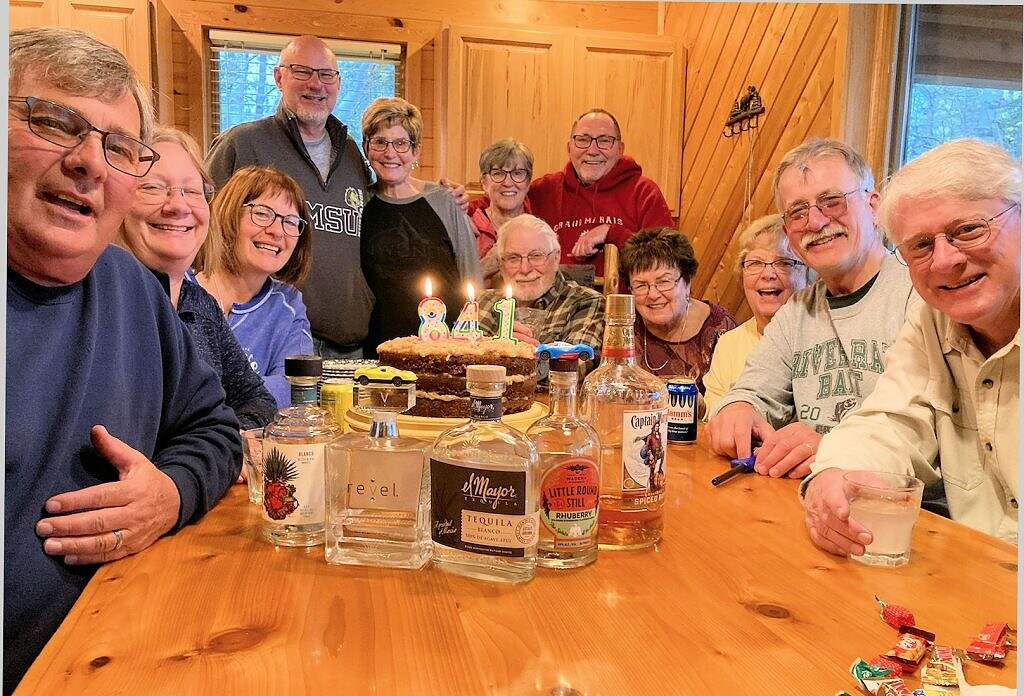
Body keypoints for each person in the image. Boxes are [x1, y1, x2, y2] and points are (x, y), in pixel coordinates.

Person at [6, 28, 241, 692]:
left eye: (117, 148)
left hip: (133, 646)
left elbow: (215, 428)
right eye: (54, 122)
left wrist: (169, 494)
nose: (89, 163)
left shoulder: (127, 287)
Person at [802, 139, 1019, 553]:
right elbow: (891, 419)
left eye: (969, 230)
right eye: (920, 245)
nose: (944, 261)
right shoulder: (931, 317)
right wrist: (836, 474)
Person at [206, 35, 468, 358]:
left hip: (351, 348)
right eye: (302, 71)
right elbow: (202, 229)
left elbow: (391, 187)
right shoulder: (244, 144)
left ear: (338, 84)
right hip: (277, 338)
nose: (316, 84)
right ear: (278, 77)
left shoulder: (351, 155)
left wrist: (441, 193)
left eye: (326, 75)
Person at [706, 137, 919, 479]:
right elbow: (751, 390)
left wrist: (834, 449)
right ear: (789, 231)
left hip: (902, 509)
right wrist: (737, 408)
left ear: (874, 205)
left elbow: (927, 430)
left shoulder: (918, 295)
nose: (815, 222)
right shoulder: (796, 311)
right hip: (805, 501)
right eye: (798, 211)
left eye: (831, 201)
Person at [117, 128, 277, 429]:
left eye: (192, 191)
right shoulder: (104, 305)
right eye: (152, 188)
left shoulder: (200, 305)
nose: (178, 206)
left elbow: (256, 398)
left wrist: (229, 441)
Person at [358, 97, 481, 355]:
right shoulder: (359, 205)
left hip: (448, 349)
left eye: (401, 143)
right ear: (366, 147)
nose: (390, 153)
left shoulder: (445, 200)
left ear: (416, 151)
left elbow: (471, 277)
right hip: (380, 350)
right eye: (380, 142)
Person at [194, 165, 315, 408]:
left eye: (291, 222)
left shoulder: (288, 303)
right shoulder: (179, 287)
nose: (276, 231)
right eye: (262, 213)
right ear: (229, 214)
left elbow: (296, 386)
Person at [528, 108, 674, 278]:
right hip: (553, 303)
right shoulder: (544, 191)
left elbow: (669, 262)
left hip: (620, 304)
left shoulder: (644, 192)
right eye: (583, 140)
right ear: (569, 148)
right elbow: (499, 200)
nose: (592, 150)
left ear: (620, 149)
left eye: (604, 141)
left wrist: (612, 232)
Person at [703, 215, 811, 414]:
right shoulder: (729, 345)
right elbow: (714, 417)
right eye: (755, 263)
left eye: (784, 263)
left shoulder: (820, 341)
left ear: (808, 276)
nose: (768, 274)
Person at [620, 227, 736, 393]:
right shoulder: (623, 329)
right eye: (640, 285)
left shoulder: (720, 329)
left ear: (687, 282)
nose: (652, 294)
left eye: (664, 282)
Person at [478, 215, 605, 352]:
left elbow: (576, 366)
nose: (525, 269)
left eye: (536, 256)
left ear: (556, 257)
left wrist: (524, 355)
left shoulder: (587, 303)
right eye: (513, 258)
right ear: (500, 264)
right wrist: (498, 347)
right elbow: (457, 363)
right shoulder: (484, 302)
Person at [467, 138, 534, 286]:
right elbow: (451, 288)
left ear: (528, 182)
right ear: (484, 182)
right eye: (498, 173)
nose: (508, 183)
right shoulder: (467, 227)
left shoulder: (539, 230)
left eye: (517, 173)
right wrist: (485, 266)